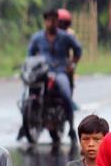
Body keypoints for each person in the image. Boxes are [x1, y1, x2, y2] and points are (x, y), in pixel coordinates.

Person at [27, 9, 82, 139]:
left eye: (54, 20)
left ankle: (71, 127)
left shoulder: (66, 37)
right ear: (45, 21)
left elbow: (78, 49)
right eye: (49, 20)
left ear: (57, 21)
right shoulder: (37, 37)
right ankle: (28, 119)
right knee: (30, 90)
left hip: (60, 71)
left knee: (66, 94)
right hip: (42, 71)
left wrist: (72, 64)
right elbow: (30, 55)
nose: (51, 23)